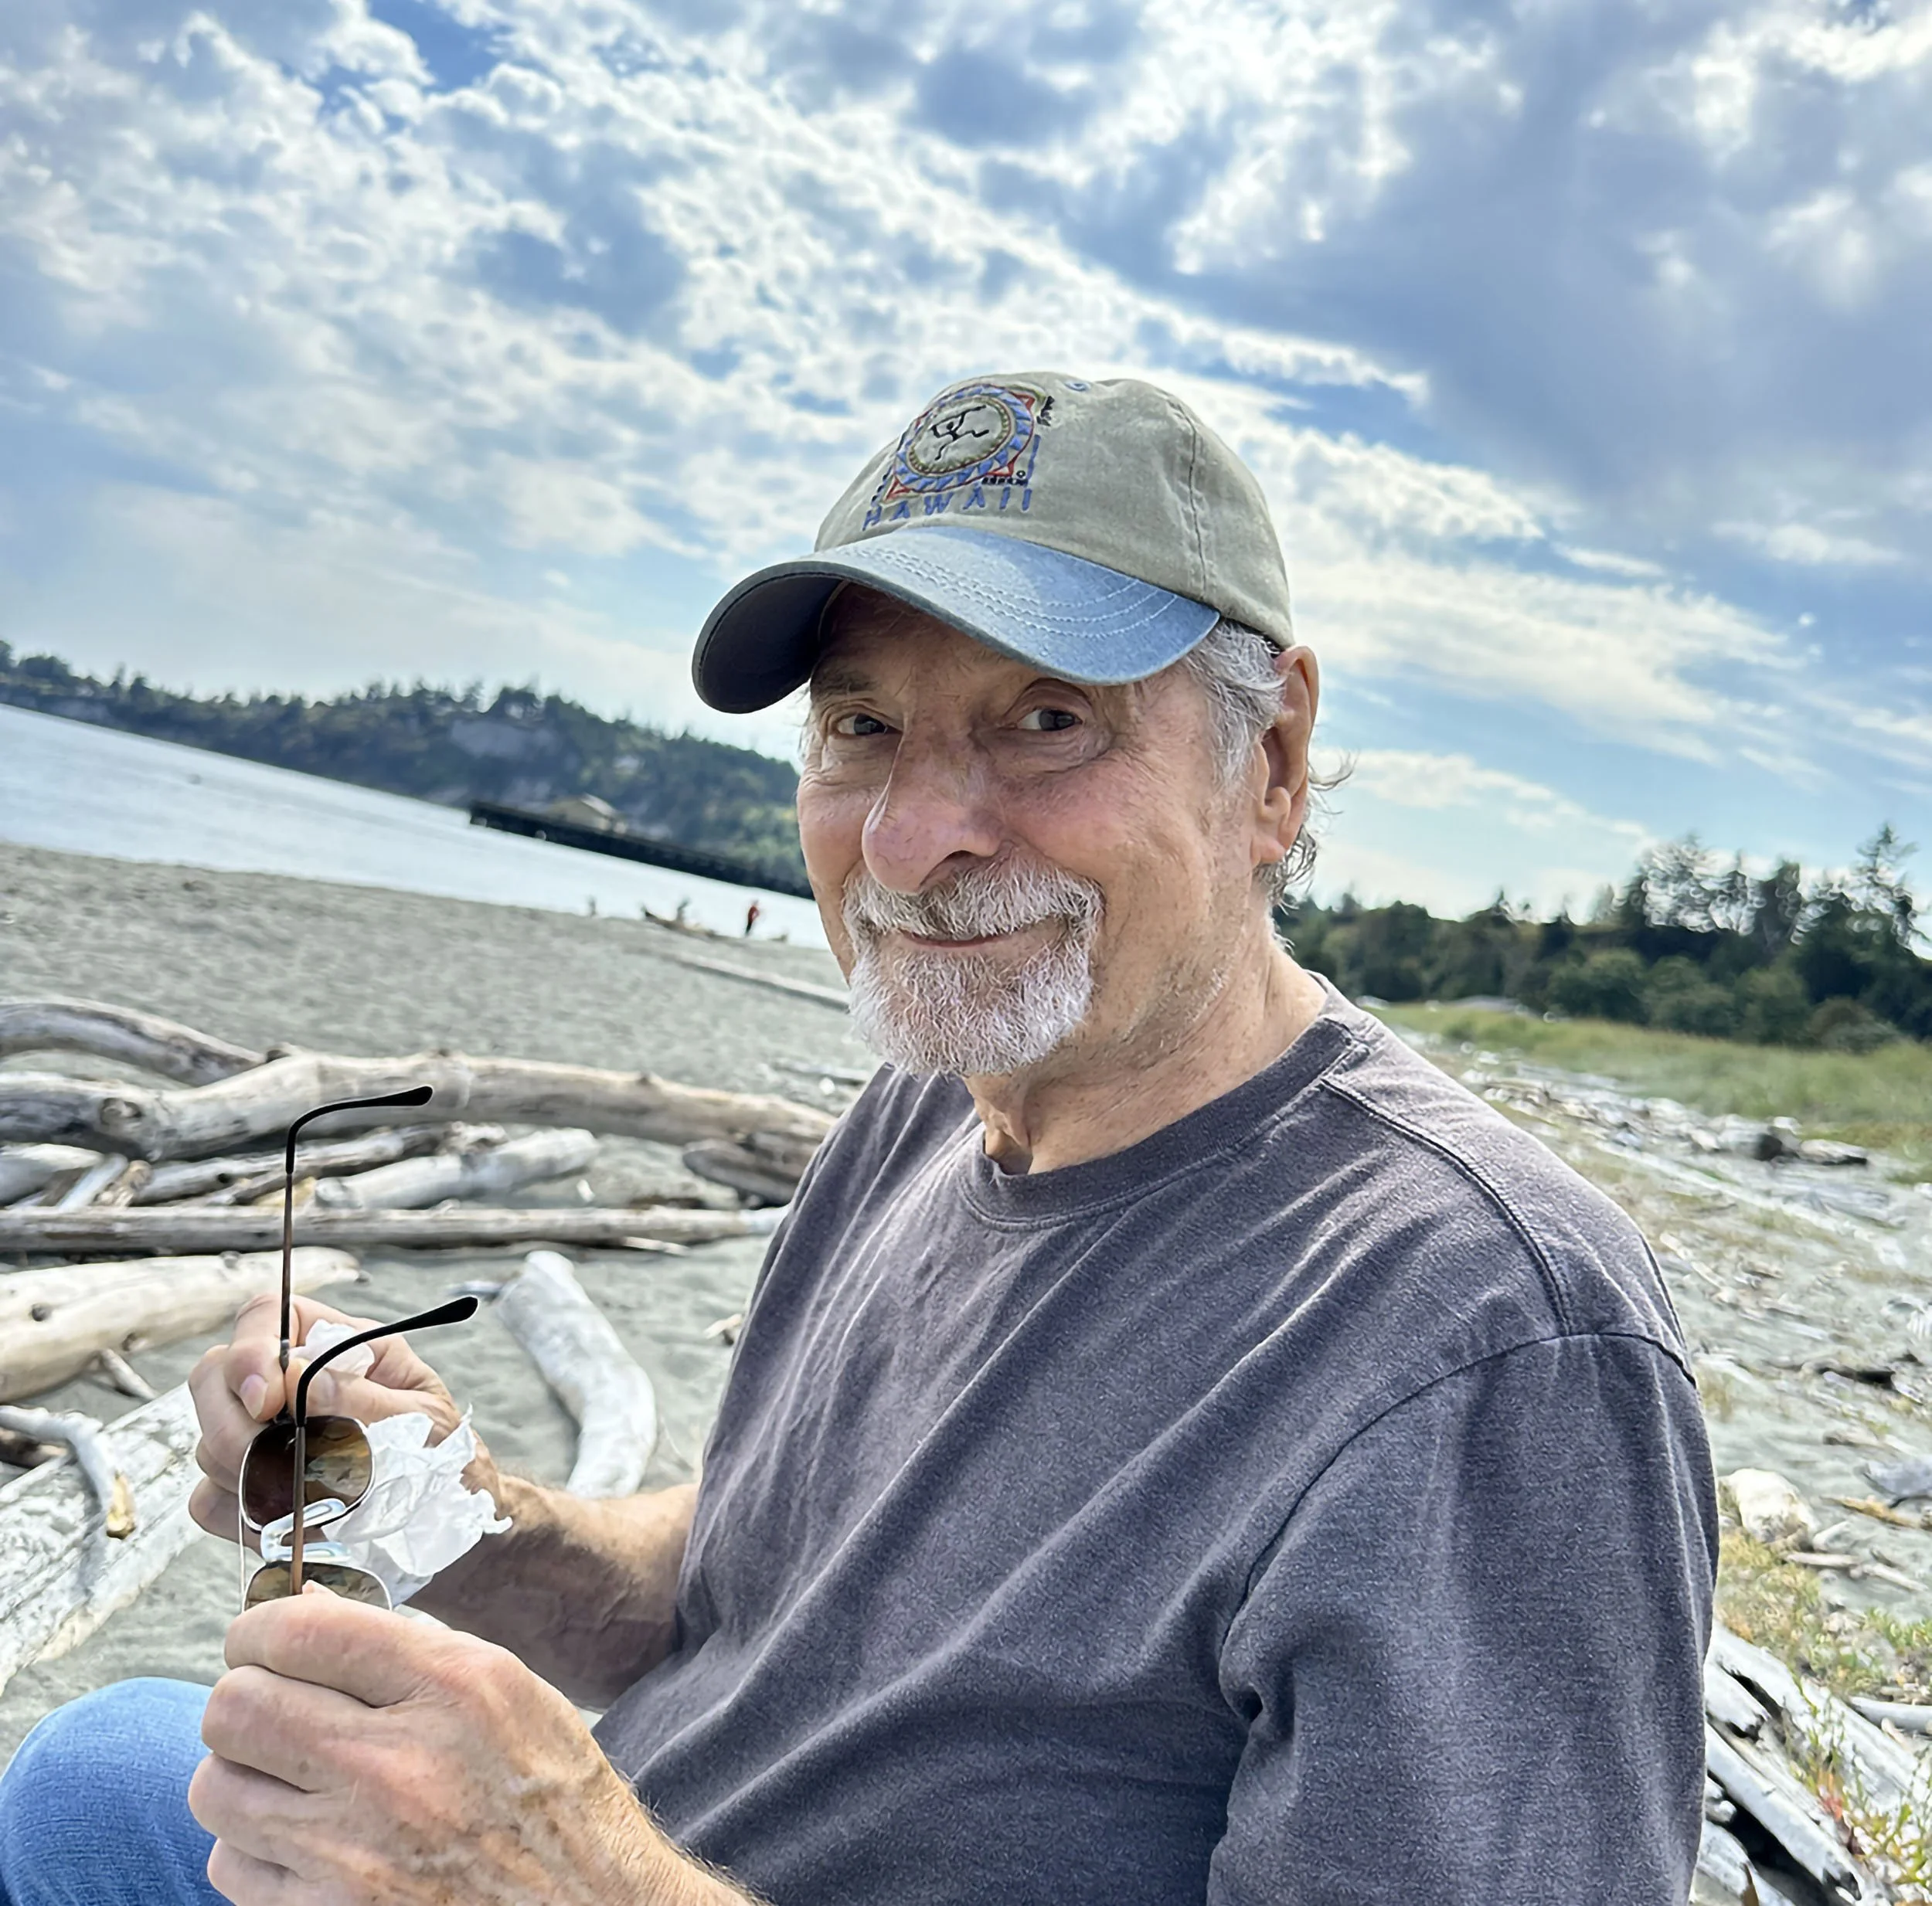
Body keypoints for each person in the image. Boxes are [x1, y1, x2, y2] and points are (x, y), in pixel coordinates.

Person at [0, 372, 1718, 1906]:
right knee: (101, 1770)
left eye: (1047, 719)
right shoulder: (924, 1105)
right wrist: (431, 1503)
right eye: (860, 726)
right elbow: (727, 1596)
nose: (910, 839)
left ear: (1268, 764)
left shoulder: (1491, 1339)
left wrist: (584, 1886)